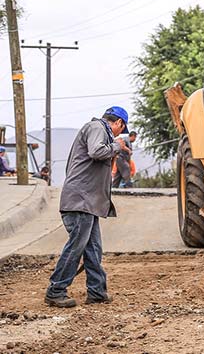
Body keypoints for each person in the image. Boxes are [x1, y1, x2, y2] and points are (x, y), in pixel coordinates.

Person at [45, 106, 129, 308]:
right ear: (119, 123)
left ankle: (97, 291)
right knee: (76, 247)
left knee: (93, 249)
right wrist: (117, 146)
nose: (120, 135)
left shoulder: (97, 129)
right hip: (80, 202)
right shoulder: (97, 127)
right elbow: (97, 151)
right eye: (121, 130)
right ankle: (55, 290)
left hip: (87, 203)